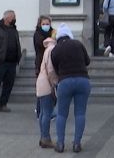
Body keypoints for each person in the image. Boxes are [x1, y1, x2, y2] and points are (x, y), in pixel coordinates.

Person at [51, 23, 91, 153]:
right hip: (83, 80)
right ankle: (77, 143)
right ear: (69, 34)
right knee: (80, 113)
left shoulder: (55, 49)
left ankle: (60, 144)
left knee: (62, 114)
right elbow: (87, 61)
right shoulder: (78, 44)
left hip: (65, 81)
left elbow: (55, 67)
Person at [0, 9, 21, 113]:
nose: (15, 19)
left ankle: (3, 104)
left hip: (12, 63)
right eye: (13, 17)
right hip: (0, 62)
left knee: (8, 86)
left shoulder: (14, 29)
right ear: (7, 18)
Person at [36, 35, 59, 149]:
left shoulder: (47, 48)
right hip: (46, 83)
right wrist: (54, 82)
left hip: (41, 82)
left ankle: (43, 137)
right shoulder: (52, 49)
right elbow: (50, 69)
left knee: (43, 112)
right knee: (47, 112)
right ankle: (46, 138)